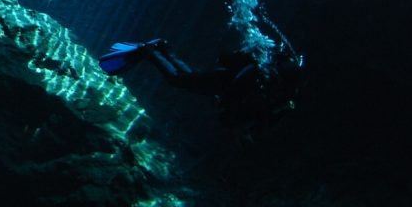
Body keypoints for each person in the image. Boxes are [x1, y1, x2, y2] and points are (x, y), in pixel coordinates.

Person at [99, 37, 304, 130]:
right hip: (223, 80)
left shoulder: (275, 81)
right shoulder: (268, 81)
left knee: (190, 78)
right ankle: (150, 51)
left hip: (223, 76)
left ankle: (163, 49)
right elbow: (238, 88)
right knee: (178, 80)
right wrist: (224, 102)